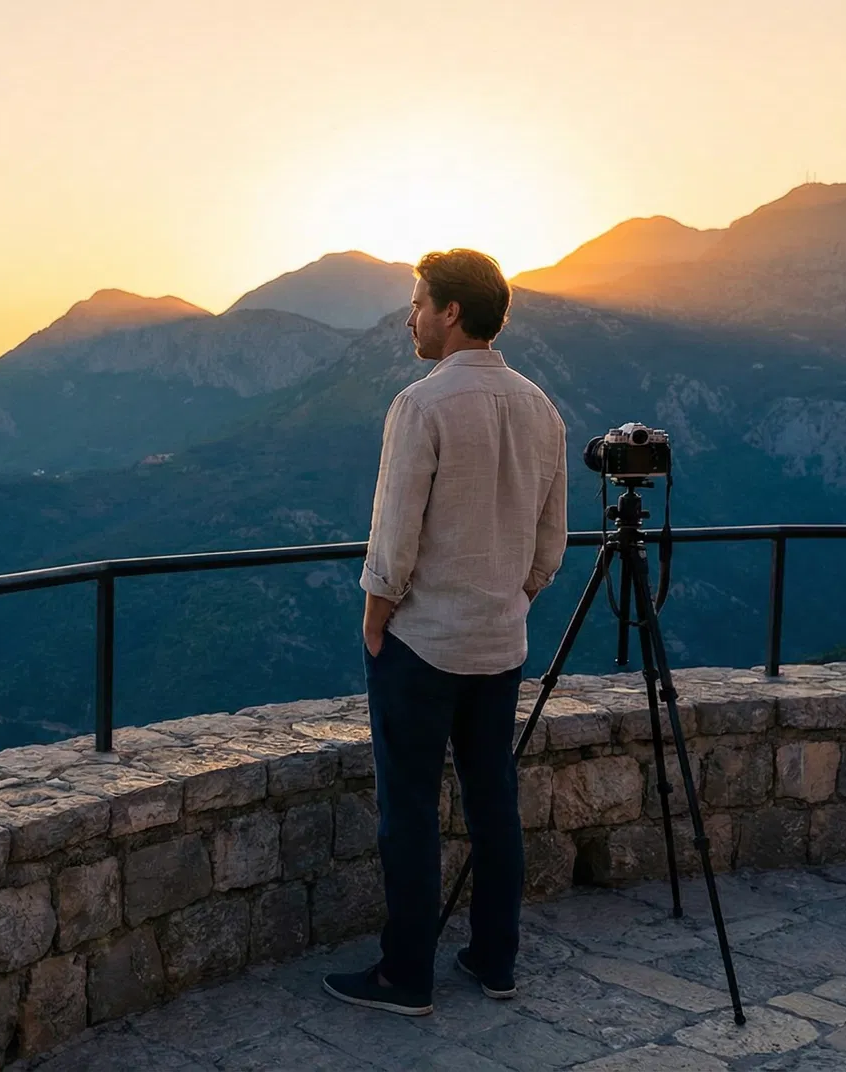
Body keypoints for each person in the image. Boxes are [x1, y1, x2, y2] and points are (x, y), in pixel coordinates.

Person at [324, 248, 567, 1016]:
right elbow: (551, 544)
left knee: (410, 811)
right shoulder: (542, 408)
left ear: (451, 312)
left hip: (423, 644)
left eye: (420, 302)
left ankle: (406, 975)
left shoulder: (421, 405)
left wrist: (375, 615)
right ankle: (496, 961)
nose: (411, 317)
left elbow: (393, 536)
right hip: (500, 644)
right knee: (494, 803)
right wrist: (512, 596)